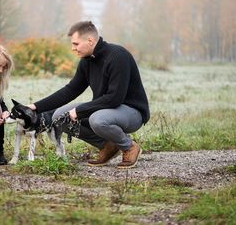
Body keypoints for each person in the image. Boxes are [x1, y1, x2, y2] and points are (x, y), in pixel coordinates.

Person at [29, 21, 150, 169]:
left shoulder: (118, 56)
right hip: (106, 109)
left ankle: (128, 147)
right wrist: (36, 107)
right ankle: (108, 146)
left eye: (76, 44)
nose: (73, 49)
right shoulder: (87, 61)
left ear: (90, 40)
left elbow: (114, 98)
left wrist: (79, 111)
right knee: (59, 117)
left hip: (132, 112)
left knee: (97, 120)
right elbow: (70, 90)